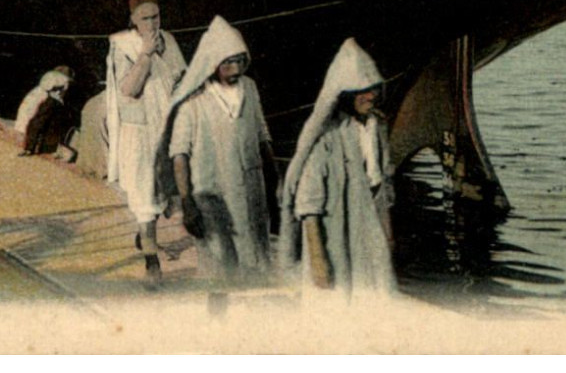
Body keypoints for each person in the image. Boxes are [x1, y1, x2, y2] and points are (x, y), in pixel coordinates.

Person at [278, 38, 397, 300]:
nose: (370, 96)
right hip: (335, 234)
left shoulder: (378, 128)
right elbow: (309, 205)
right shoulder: (326, 138)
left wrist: (387, 234)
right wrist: (318, 260)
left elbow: (384, 184)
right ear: (345, 95)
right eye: (361, 91)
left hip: (368, 230)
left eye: (373, 89)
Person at [162, 16, 276, 285]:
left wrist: (273, 182)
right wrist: (187, 203)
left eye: (239, 61)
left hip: (251, 192)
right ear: (212, 63)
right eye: (227, 63)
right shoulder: (193, 102)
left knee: (255, 263)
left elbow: (262, 136)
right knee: (219, 271)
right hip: (213, 197)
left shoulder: (250, 88)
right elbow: (180, 155)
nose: (235, 69)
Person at [105, 0, 187, 288]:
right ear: (133, 20)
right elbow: (129, 89)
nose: (152, 23)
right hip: (140, 133)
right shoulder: (123, 46)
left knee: (171, 191)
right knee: (145, 198)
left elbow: (181, 78)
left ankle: (145, 237)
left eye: (156, 17)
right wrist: (146, 54)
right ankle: (152, 263)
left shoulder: (170, 41)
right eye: (145, 19)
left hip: (167, 128)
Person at [14, 66, 78, 160]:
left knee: (36, 123)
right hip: (59, 103)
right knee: (49, 126)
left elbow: (47, 86)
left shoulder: (57, 78)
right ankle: (46, 149)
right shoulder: (67, 82)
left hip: (50, 100)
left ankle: (29, 148)